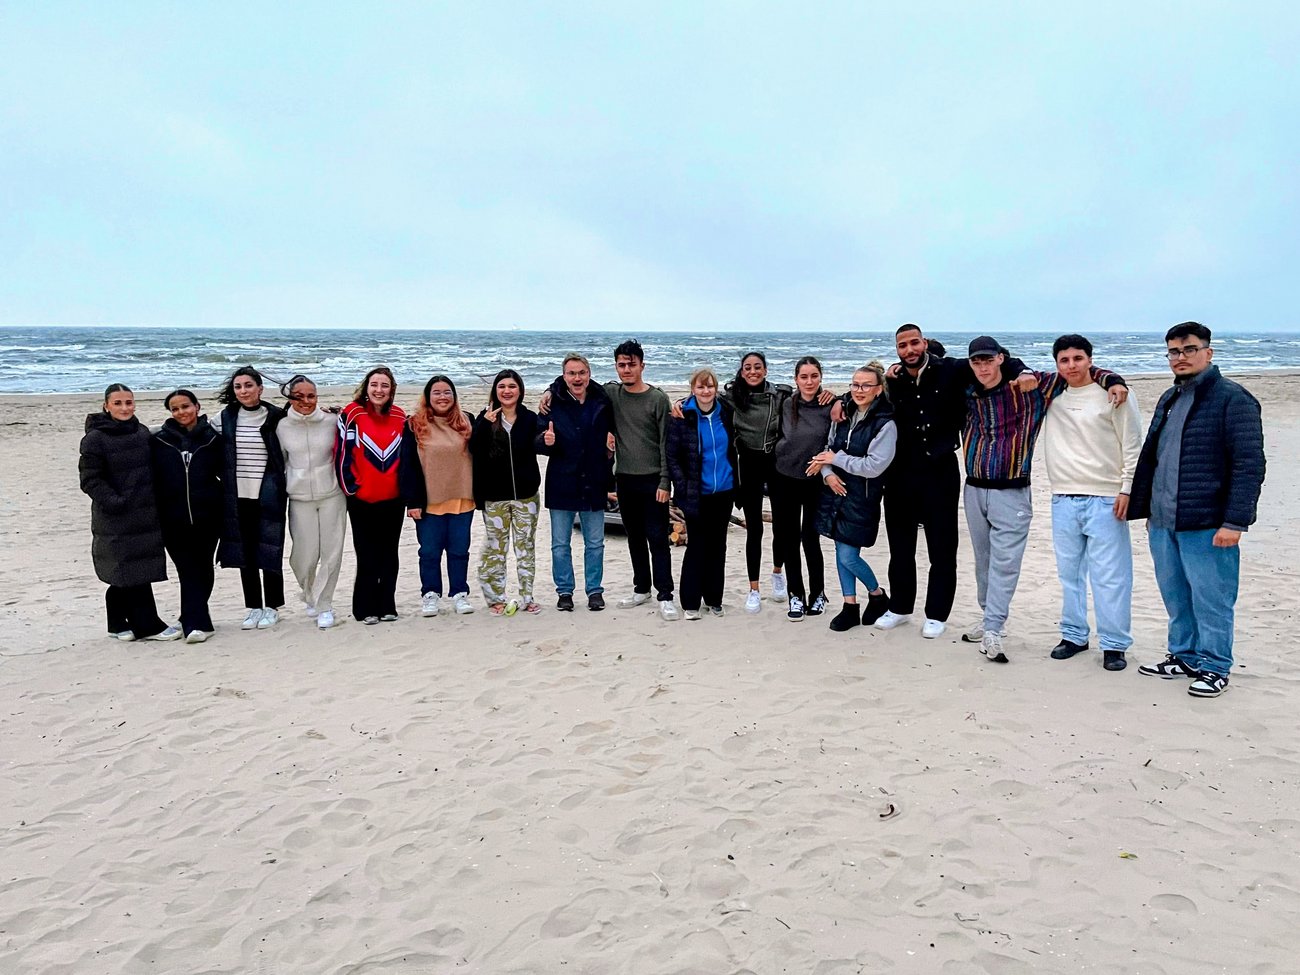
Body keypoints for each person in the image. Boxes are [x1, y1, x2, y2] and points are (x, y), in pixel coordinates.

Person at [958, 336, 1126, 663]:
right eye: (976, 361)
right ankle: (989, 617)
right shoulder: (967, 389)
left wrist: (1114, 380)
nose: (983, 367)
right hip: (974, 488)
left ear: (1001, 358)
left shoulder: (1032, 388)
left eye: (988, 360)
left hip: (1012, 490)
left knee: (1005, 564)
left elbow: (1075, 371)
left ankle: (994, 628)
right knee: (984, 561)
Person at [1129, 322, 1266, 698]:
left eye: (1189, 349)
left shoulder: (1233, 399)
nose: (1180, 357)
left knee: (1212, 600)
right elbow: (1154, 457)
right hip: (1164, 520)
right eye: (1173, 351)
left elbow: (1249, 465)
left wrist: (1235, 521)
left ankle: (1216, 667)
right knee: (1176, 597)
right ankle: (1184, 656)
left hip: (1208, 523)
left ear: (1208, 352)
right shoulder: (1170, 397)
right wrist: (1147, 509)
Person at [872, 324, 1028, 638]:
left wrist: (1023, 371)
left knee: (942, 547)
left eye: (914, 343)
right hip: (900, 472)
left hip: (940, 470)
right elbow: (865, 393)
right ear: (897, 350)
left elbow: (1000, 361)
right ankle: (900, 607)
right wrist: (841, 402)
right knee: (900, 547)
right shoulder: (894, 379)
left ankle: (936, 614)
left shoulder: (952, 369)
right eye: (902, 345)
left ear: (924, 342)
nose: (909, 350)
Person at [1040, 335, 1143, 672]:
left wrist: (1127, 489)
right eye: (1064, 360)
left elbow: (1132, 445)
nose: (1072, 365)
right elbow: (1015, 370)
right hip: (1063, 497)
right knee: (1069, 574)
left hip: (1106, 497)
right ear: (1057, 364)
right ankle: (1074, 635)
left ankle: (1114, 644)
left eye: (1078, 358)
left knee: (1110, 576)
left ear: (1090, 360)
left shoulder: (1115, 394)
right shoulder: (1051, 394)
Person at [80, 384, 180, 642]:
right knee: (129, 568)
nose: (124, 408)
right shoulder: (95, 438)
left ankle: (116, 624)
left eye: (129, 402)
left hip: (146, 512)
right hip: (115, 515)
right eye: (118, 403)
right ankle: (148, 626)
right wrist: (116, 502)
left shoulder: (141, 431)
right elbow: (90, 480)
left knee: (132, 568)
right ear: (106, 406)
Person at [809, 363, 897, 631]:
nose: (860, 390)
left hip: (862, 498)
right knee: (840, 551)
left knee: (848, 556)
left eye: (866, 385)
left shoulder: (885, 424)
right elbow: (827, 450)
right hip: (834, 493)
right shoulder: (843, 414)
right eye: (855, 384)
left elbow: (874, 466)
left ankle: (877, 594)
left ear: (878, 389)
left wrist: (837, 460)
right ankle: (850, 605)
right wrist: (827, 474)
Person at [535, 355, 615, 612]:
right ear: (564, 376)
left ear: (589, 374)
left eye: (582, 372)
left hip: (594, 481)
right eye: (571, 373)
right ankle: (565, 591)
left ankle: (594, 591)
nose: (577, 378)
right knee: (560, 544)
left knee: (595, 543)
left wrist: (611, 447)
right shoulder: (552, 403)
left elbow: (615, 432)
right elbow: (537, 439)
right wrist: (544, 441)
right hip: (562, 481)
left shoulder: (602, 400)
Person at [216, 366, 287, 630]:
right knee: (244, 552)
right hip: (237, 495)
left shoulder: (276, 416)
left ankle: (272, 607)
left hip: (269, 494)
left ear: (260, 388)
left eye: (248, 385)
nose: (243, 391)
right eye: (238, 387)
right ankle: (254, 607)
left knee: (270, 549)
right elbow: (196, 432)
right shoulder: (225, 417)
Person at [150, 388, 223, 643]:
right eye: (175, 409)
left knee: (203, 568)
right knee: (187, 570)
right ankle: (196, 622)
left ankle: (192, 619)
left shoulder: (213, 438)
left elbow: (225, 474)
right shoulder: (159, 440)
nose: (182, 412)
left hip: (208, 516)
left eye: (186, 406)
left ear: (197, 406)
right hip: (172, 518)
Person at [400, 374, 475, 618]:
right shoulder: (414, 424)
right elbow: (408, 465)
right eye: (437, 392)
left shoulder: (467, 421)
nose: (442, 397)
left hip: (462, 497)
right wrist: (412, 501)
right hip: (429, 501)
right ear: (428, 397)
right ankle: (430, 594)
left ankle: (459, 593)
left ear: (454, 396)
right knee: (429, 552)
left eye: (447, 392)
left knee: (459, 551)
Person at [470, 369, 543, 616]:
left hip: (526, 496)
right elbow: (474, 450)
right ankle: (495, 599)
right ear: (495, 391)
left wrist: (548, 441)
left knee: (525, 547)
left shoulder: (530, 418)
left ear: (520, 390)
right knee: (494, 549)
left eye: (512, 386)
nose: (507, 391)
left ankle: (527, 597)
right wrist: (484, 424)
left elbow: (541, 443)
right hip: (495, 498)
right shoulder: (485, 418)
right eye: (502, 386)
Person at [666, 368, 738, 620]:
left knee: (718, 546)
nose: (706, 391)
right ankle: (690, 603)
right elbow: (672, 457)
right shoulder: (682, 416)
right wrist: (682, 486)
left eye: (709, 386)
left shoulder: (726, 411)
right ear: (692, 389)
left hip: (724, 490)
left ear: (716, 388)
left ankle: (714, 599)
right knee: (697, 546)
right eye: (700, 387)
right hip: (696, 493)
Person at [338, 366, 407, 624]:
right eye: (374, 385)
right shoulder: (352, 413)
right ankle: (364, 608)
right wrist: (351, 489)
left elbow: (406, 456)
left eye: (384, 385)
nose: (379, 390)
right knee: (367, 553)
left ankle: (387, 605)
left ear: (392, 390)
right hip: (361, 499)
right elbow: (342, 454)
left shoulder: (400, 416)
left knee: (389, 553)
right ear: (366, 388)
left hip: (393, 499)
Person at [278, 375, 346, 630]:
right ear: (290, 398)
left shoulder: (332, 421)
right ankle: (309, 593)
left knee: (331, 553)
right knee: (303, 556)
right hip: (299, 498)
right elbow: (280, 461)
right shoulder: (281, 426)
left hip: (332, 495)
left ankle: (324, 604)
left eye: (311, 396)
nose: (306, 401)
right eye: (299, 396)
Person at [772, 356, 834, 622]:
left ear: (821, 377)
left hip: (815, 481)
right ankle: (795, 595)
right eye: (804, 377)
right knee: (789, 539)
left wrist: (841, 399)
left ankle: (818, 594)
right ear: (796, 379)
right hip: (785, 477)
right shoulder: (787, 403)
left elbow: (838, 437)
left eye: (814, 376)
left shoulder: (831, 404)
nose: (809, 382)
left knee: (811, 539)